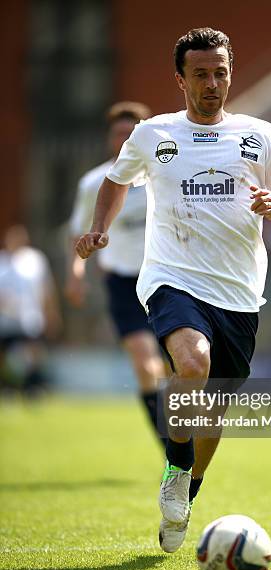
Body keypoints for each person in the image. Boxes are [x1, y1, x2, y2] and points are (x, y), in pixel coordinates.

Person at [76, 28, 271, 553]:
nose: (212, 83)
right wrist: (100, 226)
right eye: (201, 74)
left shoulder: (260, 135)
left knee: (214, 411)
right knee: (192, 362)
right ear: (179, 79)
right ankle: (176, 466)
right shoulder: (153, 134)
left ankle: (186, 487)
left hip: (240, 292)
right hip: (171, 277)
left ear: (230, 73)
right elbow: (116, 180)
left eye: (221, 72)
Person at [66, 101, 165, 445]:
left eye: (130, 133)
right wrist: (75, 272)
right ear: (110, 139)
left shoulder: (162, 175)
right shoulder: (94, 183)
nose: (123, 139)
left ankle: (183, 433)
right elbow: (77, 235)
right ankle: (169, 444)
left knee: (184, 366)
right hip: (123, 282)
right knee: (144, 363)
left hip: (168, 279)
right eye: (118, 133)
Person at [0, 225, 61, 394]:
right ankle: (8, 386)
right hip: (5, 319)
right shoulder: (1, 262)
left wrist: (51, 313)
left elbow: (46, 288)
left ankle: (32, 386)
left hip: (30, 317)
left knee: (34, 352)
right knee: (4, 355)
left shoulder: (35, 260)